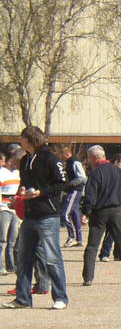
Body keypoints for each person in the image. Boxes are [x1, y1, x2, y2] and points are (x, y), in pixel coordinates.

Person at [2, 126, 69, 310]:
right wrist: (19, 195)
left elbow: (61, 183)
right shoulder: (25, 160)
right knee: (23, 258)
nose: (20, 141)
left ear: (29, 139)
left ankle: (60, 297)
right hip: (30, 215)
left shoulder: (50, 158)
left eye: (22, 138)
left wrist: (41, 192)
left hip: (48, 215)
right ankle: (23, 298)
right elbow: (24, 183)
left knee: (52, 258)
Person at [80, 146, 121, 286]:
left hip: (99, 212)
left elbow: (90, 195)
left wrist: (86, 212)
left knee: (92, 246)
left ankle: (88, 277)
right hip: (116, 210)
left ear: (95, 158)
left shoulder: (95, 173)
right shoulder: (119, 171)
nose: (89, 161)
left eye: (89, 158)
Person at [59, 146, 86, 247]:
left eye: (62, 155)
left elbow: (82, 177)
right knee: (74, 214)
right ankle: (79, 239)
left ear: (67, 154)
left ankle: (71, 237)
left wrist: (70, 184)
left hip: (75, 190)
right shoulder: (68, 163)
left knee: (64, 214)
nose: (61, 157)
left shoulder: (75, 162)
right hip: (72, 190)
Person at [0, 147, 21, 276]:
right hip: (3, 209)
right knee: (2, 240)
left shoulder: (18, 173)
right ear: (8, 161)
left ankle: (12, 265)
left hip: (15, 210)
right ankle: (1, 266)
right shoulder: (2, 173)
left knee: (13, 240)